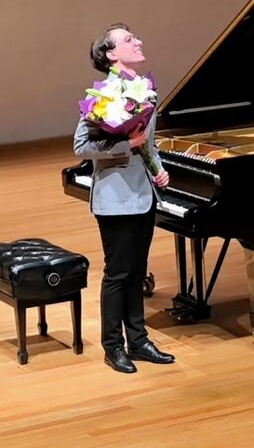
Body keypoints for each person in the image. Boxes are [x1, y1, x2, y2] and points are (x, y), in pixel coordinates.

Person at [73, 23, 175, 373]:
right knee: (118, 274)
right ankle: (113, 346)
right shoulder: (103, 94)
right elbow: (81, 147)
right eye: (129, 39)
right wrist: (123, 145)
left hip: (144, 195)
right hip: (115, 199)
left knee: (136, 272)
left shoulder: (145, 90)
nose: (138, 41)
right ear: (111, 53)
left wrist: (157, 168)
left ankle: (140, 340)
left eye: (136, 36)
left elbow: (150, 143)